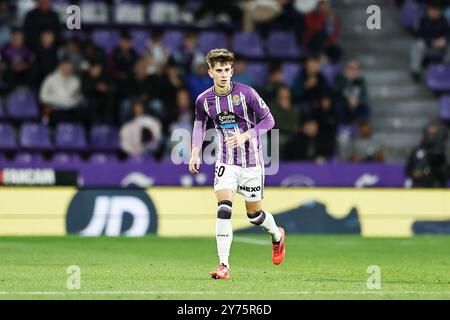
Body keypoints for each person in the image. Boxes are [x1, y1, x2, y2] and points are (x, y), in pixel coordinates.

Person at [188, 49, 286, 280]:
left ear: (232, 71)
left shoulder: (247, 93)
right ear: (210, 72)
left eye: (227, 70)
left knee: (254, 215)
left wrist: (246, 135)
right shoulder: (204, 100)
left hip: (252, 162)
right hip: (225, 161)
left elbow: (269, 120)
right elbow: (199, 126)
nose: (223, 75)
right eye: (218, 70)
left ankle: (277, 235)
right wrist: (195, 152)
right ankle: (223, 265)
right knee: (224, 208)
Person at [406, 121, 448, 187]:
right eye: (429, 132)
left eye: (434, 133)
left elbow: (444, 173)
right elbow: (409, 169)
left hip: (438, 188)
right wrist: (414, 173)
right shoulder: (416, 151)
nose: (431, 136)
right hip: (420, 187)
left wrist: (424, 170)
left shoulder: (443, 151)